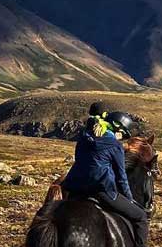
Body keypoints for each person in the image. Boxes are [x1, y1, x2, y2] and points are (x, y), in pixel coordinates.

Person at [61, 102, 149, 247]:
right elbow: (121, 177)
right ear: (118, 130)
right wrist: (129, 199)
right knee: (141, 217)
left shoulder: (83, 137)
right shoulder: (115, 145)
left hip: (74, 188)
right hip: (100, 190)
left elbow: (80, 160)